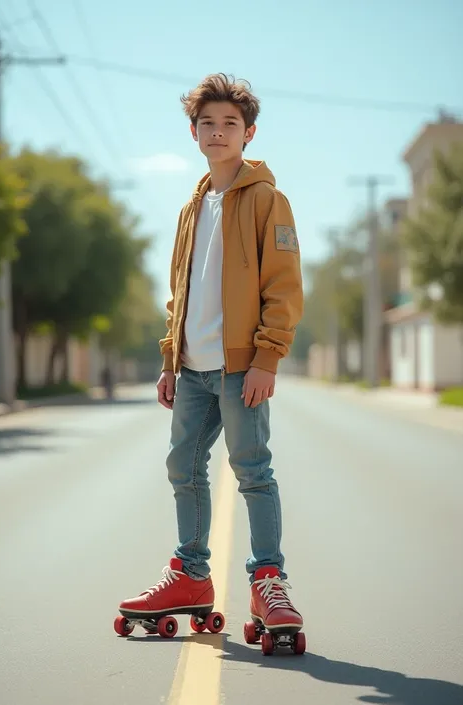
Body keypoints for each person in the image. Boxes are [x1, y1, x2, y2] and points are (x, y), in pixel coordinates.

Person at [119, 73, 304, 635]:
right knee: (183, 468)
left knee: (253, 473)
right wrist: (170, 359)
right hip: (193, 370)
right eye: (208, 124)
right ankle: (191, 575)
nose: (218, 132)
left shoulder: (268, 201)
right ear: (193, 133)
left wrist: (267, 358)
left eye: (230, 124)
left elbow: (284, 284)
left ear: (249, 133)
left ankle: (269, 583)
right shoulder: (190, 210)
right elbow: (179, 291)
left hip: (241, 367)